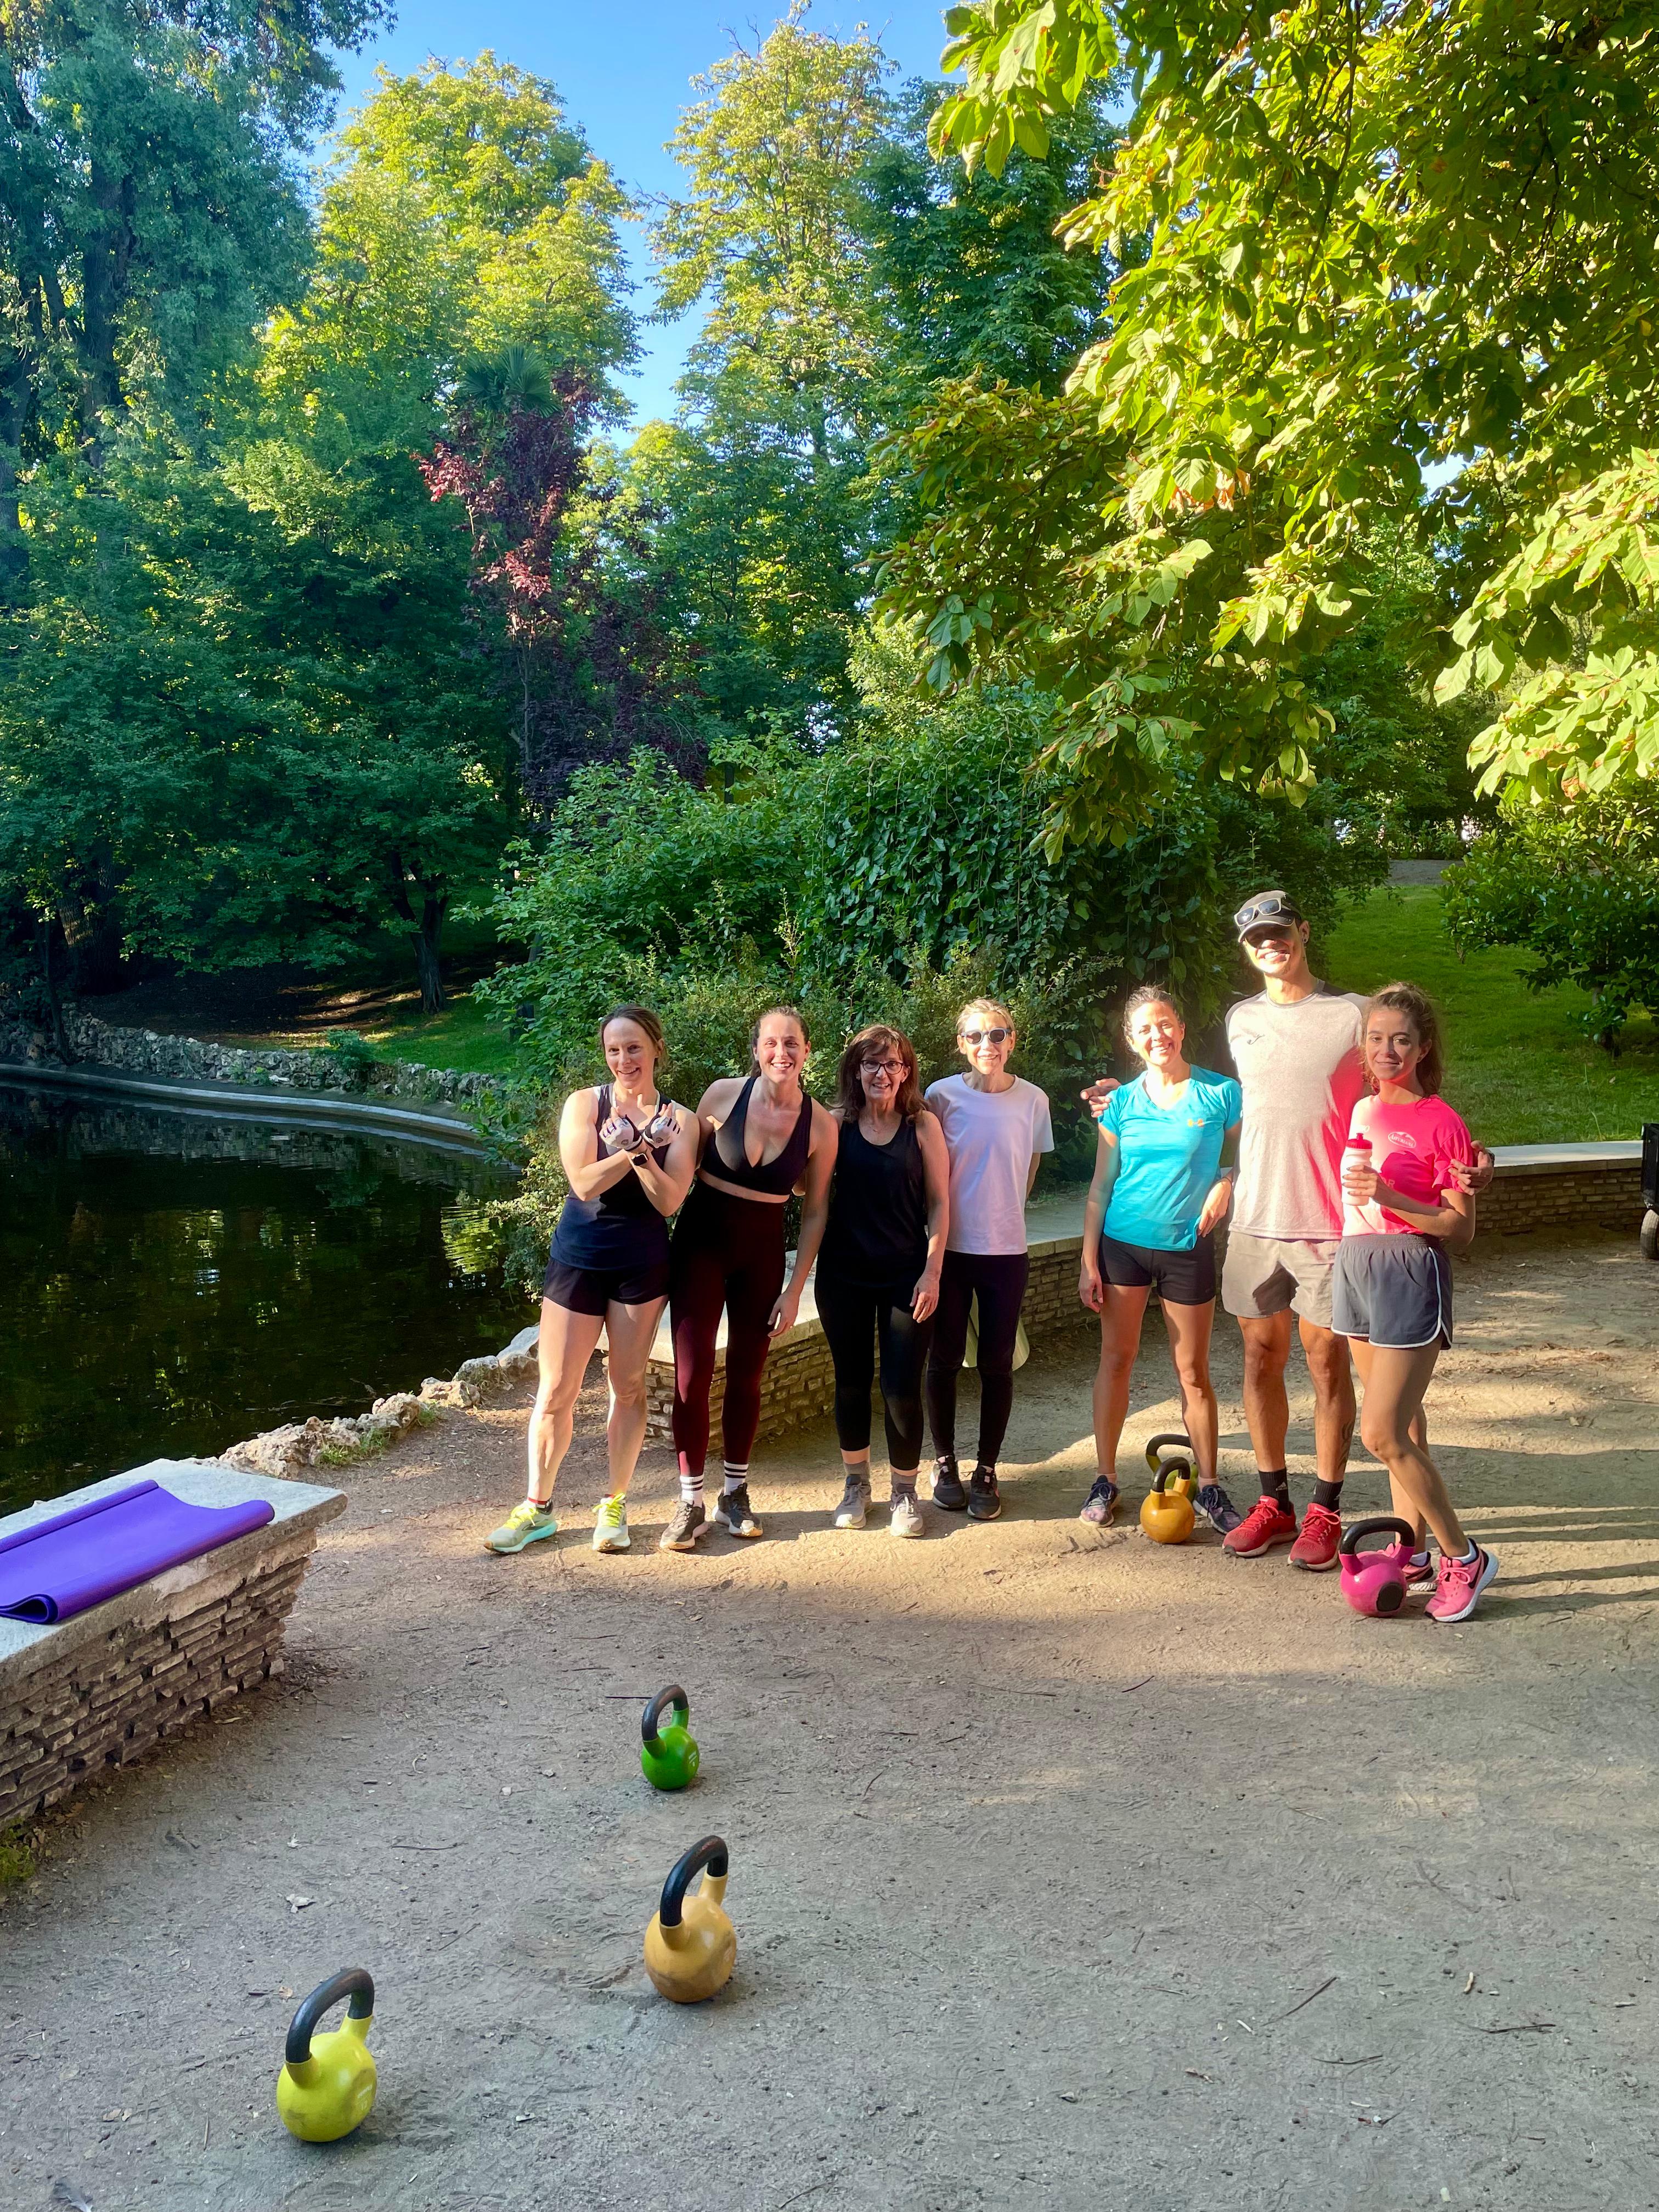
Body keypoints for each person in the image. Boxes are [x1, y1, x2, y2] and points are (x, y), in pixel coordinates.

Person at [1081, 888, 1491, 1569]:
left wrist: (1474, 1164)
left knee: (1330, 1367)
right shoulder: (1241, 1019)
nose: (1270, 944)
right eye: (1255, 937)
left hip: (1335, 1225)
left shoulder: (1356, 1014)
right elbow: (1229, 1107)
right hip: (1255, 1227)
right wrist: (1128, 1105)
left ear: (1302, 932)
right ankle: (1276, 1502)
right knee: (1259, 1361)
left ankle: (1328, 1511)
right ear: (1245, 949)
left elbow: (1407, 1105)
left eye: (1280, 931)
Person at [485, 1006, 697, 1557]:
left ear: (656, 1048)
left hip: (642, 1266)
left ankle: (615, 1505)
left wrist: (644, 1150)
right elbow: (582, 1183)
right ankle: (537, 1507)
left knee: (627, 1387)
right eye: (613, 1050)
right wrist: (635, 1147)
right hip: (579, 1258)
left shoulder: (683, 1119)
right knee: (557, 1389)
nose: (624, 1060)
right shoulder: (586, 1104)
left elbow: (670, 1201)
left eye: (633, 1048)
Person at [1336, 983, 1497, 1622]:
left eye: (1401, 1039)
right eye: (1376, 1038)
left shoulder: (1443, 1121)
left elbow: (1461, 1228)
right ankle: (1416, 1550)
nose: (1387, 1050)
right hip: (1355, 1263)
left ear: (1423, 1046)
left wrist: (1392, 1199)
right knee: (1402, 1426)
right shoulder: (1361, 1111)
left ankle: (1467, 1557)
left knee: (1377, 1433)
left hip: (1409, 1270)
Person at [664, 1006, 838, 1551]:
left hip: (761, 1259)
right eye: (771, 1043)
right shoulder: (721, 1096)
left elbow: (815, 1211)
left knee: (747, 1375)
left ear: (808, 1051)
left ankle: (733, 1494)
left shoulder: (821, 1125)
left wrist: (795, 1288)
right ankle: (690, 1501)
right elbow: (677, 1172)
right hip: (699, 1248)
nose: (781, 1054)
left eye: (792, 1044)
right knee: (691, 1377)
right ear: (756, 1048)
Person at [1076, 986, 1243, 1532]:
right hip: (1122, 1245)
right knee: (1116, 1361)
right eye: (1146, 1029)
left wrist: (1229, 1180)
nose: (1158, 1036)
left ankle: (1211, 1485)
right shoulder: (1120, 1102)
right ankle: (1104, 1479)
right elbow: (1101, 1186)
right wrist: (1087, 1261)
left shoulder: (1220, 1094)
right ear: (1132, 1040)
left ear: (1182, 1027)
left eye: (1166, 1024)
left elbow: (1255, 1154)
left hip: (1188, 1246)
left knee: (1192, 1371)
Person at [816, 1025, 950, 1539]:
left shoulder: (922, 1127)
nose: (882, 1073)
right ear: (855, 1069)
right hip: (843, 1275)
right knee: (850, 1383)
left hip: (906, 1276)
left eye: (893, 1064)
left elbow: (940, 1204)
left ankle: (903, 1492)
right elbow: (812, 1198)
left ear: (907, 1072)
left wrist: (933, 1271)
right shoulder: (835, 1126)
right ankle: (856, 1486)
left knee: (900, 1388)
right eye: (871, 1063)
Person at [924, 998, 1053, 1522]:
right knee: (945, 1359)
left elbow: (1029, 1168)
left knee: (998, 1365)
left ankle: (987, 1470)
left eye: (997, 1035)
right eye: (976, 1037)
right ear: (961, 1044)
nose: (987, 1046)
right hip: (949, 1251)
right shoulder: (940, 1096)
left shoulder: (1034, 1100)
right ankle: (945, 1461)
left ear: (1013, 1040)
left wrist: (1002, 1216)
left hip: (1005, 1252)